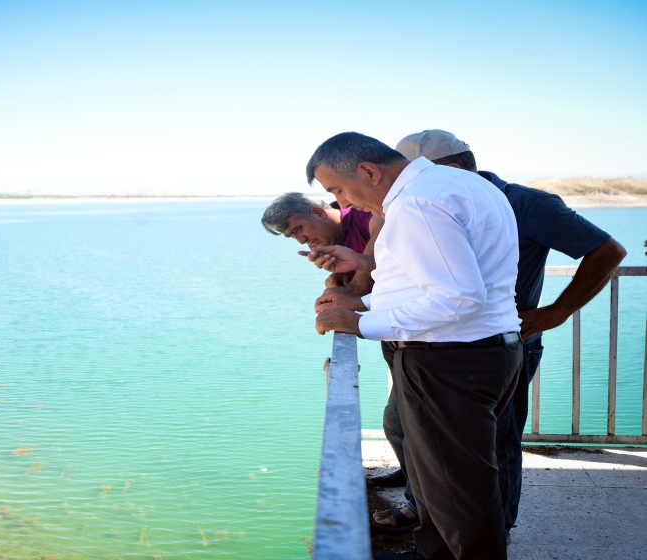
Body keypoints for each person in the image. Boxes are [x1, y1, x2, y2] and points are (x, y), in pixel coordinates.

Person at [359, 130, 627, 541]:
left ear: (443, 167)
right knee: (411, 431)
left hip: (493, 346)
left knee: (493, 446)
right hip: (435, 348)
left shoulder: (526, 202)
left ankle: (490, 529)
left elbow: (608, 250)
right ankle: (432, 519)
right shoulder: (423, 202)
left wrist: (556, 312)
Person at [308, 131, 523, 560]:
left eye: (337, 189)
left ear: (369, 171)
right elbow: (432, 279)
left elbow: (458, 297)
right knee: (439, 484)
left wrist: (360, 324)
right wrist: (366, 300)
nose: (343, 202)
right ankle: (432, 554)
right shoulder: (461, 184)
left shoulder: (415, 204)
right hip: (483, 353)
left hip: (450, 362)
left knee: (461, 497)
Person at [260, 192, 382, 288]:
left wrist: (354, 289)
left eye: (297, 230)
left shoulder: (361, 211)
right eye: (290, 236)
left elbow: (382, 225)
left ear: (318, 212)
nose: (301, 241)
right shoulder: (315, 242)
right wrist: (340, 279)